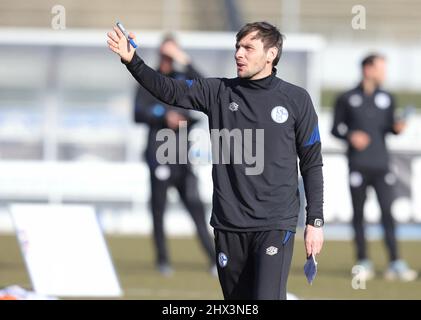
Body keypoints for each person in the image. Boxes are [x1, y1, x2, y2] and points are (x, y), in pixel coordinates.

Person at [107, 21, 324, 300]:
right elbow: (168, 89)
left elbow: (311, 163)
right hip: (227, 224)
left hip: (274, 223)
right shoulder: (219, 92)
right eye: (237, 47)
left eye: (248, 47)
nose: (239, 54)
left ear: (271, 54)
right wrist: (132, 61)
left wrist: (314, 221)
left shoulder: (296, 99)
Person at [133, 35, 216, 276]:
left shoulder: (182, 79)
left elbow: (208, 88)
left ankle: (213, 259)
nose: (169, 57)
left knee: (196, 210)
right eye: (166, 52)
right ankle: (163, 260)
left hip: (182, 158)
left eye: (173, 52)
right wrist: (163, 116)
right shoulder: (149, 79)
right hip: (158, 155)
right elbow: (138, 112)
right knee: (158, 211)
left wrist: (184, 59)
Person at [331, 54, 417, 281]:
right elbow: (335, 129)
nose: (385, 73)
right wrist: (351, 135)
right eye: (381, 68)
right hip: (358, 165)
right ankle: (363, 261)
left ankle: (395, 262)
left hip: (382, 165)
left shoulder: (387, 97)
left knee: (387, 213)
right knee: (358, 215)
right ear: (368, 69)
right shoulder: (347, 98)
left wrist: (398, 126)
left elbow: (391, 128)